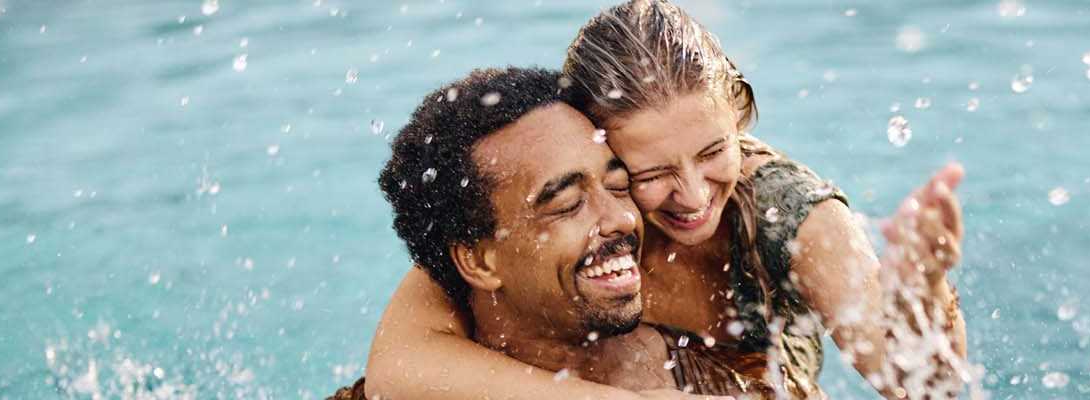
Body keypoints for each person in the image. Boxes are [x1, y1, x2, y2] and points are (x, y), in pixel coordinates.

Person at [362, 1, 974, 398]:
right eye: (648, 171)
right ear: (594, 139)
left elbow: (922, 386)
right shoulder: (568, 208)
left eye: (713, 151)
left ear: (737, 115)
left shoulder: (791, 216)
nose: (692, 196)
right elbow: (401, 366)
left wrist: (925, 290)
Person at [333, 67, 763, 400]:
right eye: (566, 205)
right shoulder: (411, 380)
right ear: (480, 261)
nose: (620, 219)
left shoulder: (725, 380)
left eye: (619, 186)